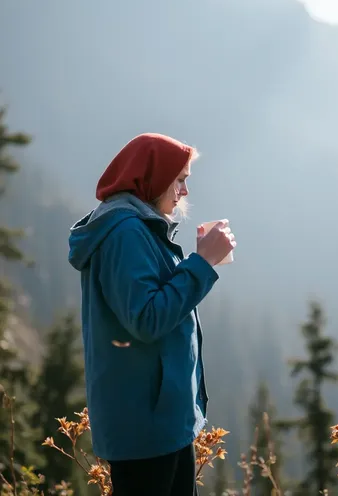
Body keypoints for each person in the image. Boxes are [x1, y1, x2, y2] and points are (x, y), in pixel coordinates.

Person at [68, 133, 236, 496]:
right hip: (145, 428)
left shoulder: (140, 229)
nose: (184, 192)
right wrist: (202, 263)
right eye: (179, 180)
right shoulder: (125, 233)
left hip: (163, 421)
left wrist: (197, 262)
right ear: (153, 177)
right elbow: (147, 319)